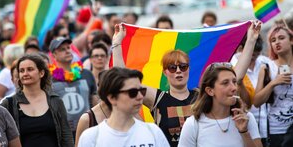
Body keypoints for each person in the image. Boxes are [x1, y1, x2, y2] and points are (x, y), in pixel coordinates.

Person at [112, 21, 261, 147]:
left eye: (183, 67)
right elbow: (125, 80)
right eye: (172, 67)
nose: (178, 71)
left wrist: (251, 40)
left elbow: (236, 76)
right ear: (165, 72)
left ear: (189, 69)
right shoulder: (157, 98)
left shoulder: (200, 94)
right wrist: (117, 45)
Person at [77, 67, 169, 147]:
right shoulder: (91, 137)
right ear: (112, 98)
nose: (140, 96)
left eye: (142, 91)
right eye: (132, 92)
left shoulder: (153, 132)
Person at [178, 62, 262, 147]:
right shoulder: (193, 124)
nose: (234, 88)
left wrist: (244, 132)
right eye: (225, 83)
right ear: (210, 91)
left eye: (234, 82)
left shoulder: (247, 118)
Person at [0, 54, 73, 147]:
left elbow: (66, 135)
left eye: (30, 69)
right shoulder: (8, 104)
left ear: (41, 73)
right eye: (21, 71)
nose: (25, 73)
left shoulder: (55, 100)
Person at [49, 37, 97, 138]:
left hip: (88, 132)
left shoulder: (86, 74)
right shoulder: (48, 79)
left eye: (68, 47)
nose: (67, 51)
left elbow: (95, 103)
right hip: (62, 135)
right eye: (62, 49)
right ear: (54, 55)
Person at [253, 26, 293, 146]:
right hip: (277, 129)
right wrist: (274, 82)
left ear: (291, 40)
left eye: (281, 38)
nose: (277, 42)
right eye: (273, 40)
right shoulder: (267, 68)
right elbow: (256, 101)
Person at [231, 35, 271, 144]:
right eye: (251, 54)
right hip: (244, 123)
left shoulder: (265, 63)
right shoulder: (232, 67)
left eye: (257, 54)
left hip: (268, 125)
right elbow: (248, 103)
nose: (253, 58)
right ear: (241, 49)